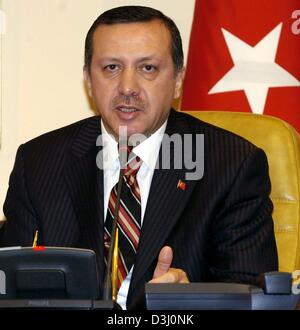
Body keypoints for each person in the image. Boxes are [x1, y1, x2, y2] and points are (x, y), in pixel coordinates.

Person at [0, 6, 278, 309]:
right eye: (111, 68)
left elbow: (253, 300)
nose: (128, 88)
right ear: (89, 80)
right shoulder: (39, 162)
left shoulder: (231, 164)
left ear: (178, 80)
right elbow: (9, 291)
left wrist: (196, 302)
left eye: (148, 68)